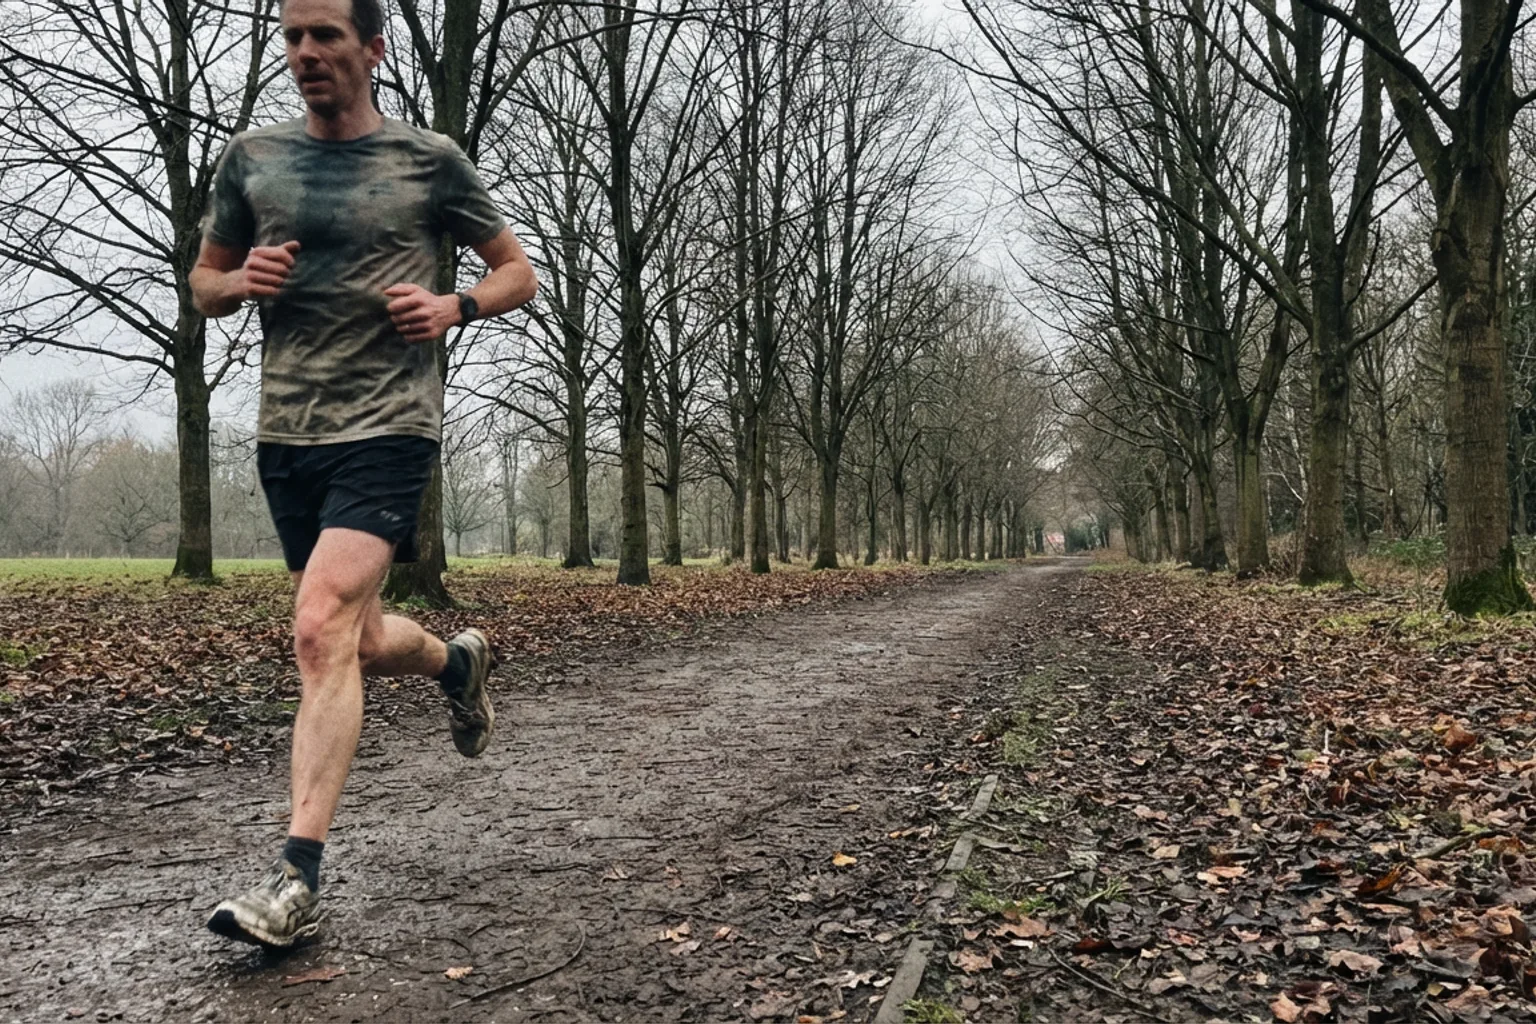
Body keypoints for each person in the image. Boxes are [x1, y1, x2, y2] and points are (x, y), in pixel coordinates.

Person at [188, 0, 537, 948]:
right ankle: (455, 660)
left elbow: (518, 271)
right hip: (287, 431)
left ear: (370, 48)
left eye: (325, 36)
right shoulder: (252, 161)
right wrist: (237, 282)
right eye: (292, 38)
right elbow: (203, 282)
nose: (305, 54)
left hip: (390, 424)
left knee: (316, 627)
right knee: (358, 638)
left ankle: (294, 876)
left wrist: (454, 304)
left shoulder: (430, 160)